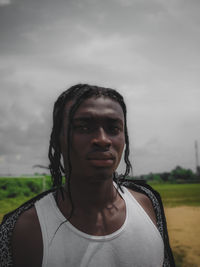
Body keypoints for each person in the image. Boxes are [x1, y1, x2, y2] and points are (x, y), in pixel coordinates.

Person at [0, 84, 175, 267]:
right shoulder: (24, 230)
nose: (102, 139)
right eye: (83, 127)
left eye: (114, 128)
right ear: (57, 140)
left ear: (125, 138)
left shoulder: (147, 204)